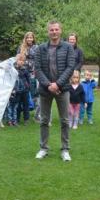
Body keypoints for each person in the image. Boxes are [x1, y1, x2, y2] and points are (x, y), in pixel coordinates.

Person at [34, 21, 77, 161]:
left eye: (56, 29)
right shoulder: (40, 48)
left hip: (62, 89)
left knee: (64, 120)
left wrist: (57, 84)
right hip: (45, 89)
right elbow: (37, 69)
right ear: (48, 32)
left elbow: (70, 67)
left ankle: (65, 149)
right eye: (51, 30)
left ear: (60, 31)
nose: (54, 32)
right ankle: (43, 148)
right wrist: (48, 85)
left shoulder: (68, 47)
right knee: (44, 120)